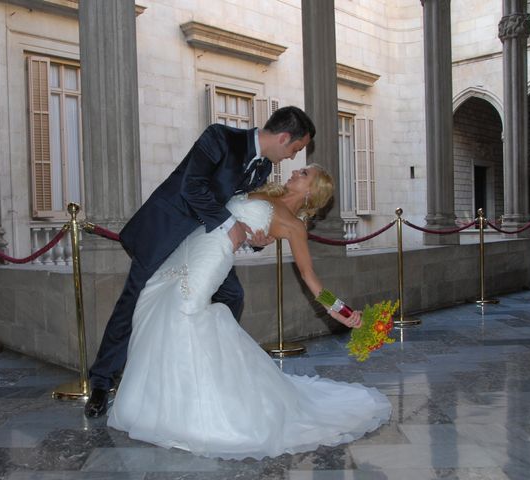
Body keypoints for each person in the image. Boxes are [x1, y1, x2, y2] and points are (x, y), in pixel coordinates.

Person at [108, 164, 391, 459]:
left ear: (312, 192)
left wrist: (340, 309)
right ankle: (157, 402)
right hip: (191, 244)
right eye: (300, 169)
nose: (296, 172)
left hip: (212, 258)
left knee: (185, 311)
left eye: (304, 174)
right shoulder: (263, 192)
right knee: (152, 299)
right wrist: (253, 239)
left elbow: (310, 278)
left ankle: (189, 411)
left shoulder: (295, 226)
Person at [85, 106, 317, 417]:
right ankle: (101, 381)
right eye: (296, 149)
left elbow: (239, 210)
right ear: (284, 137)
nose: (292, 158)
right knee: (133, 300)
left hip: (204, 242)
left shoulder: (261, 170)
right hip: (166, 230)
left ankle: (210, 371)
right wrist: (229, 225)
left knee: (232, 296)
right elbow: (191, 186)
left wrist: (254, 240)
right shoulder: (219, 136)